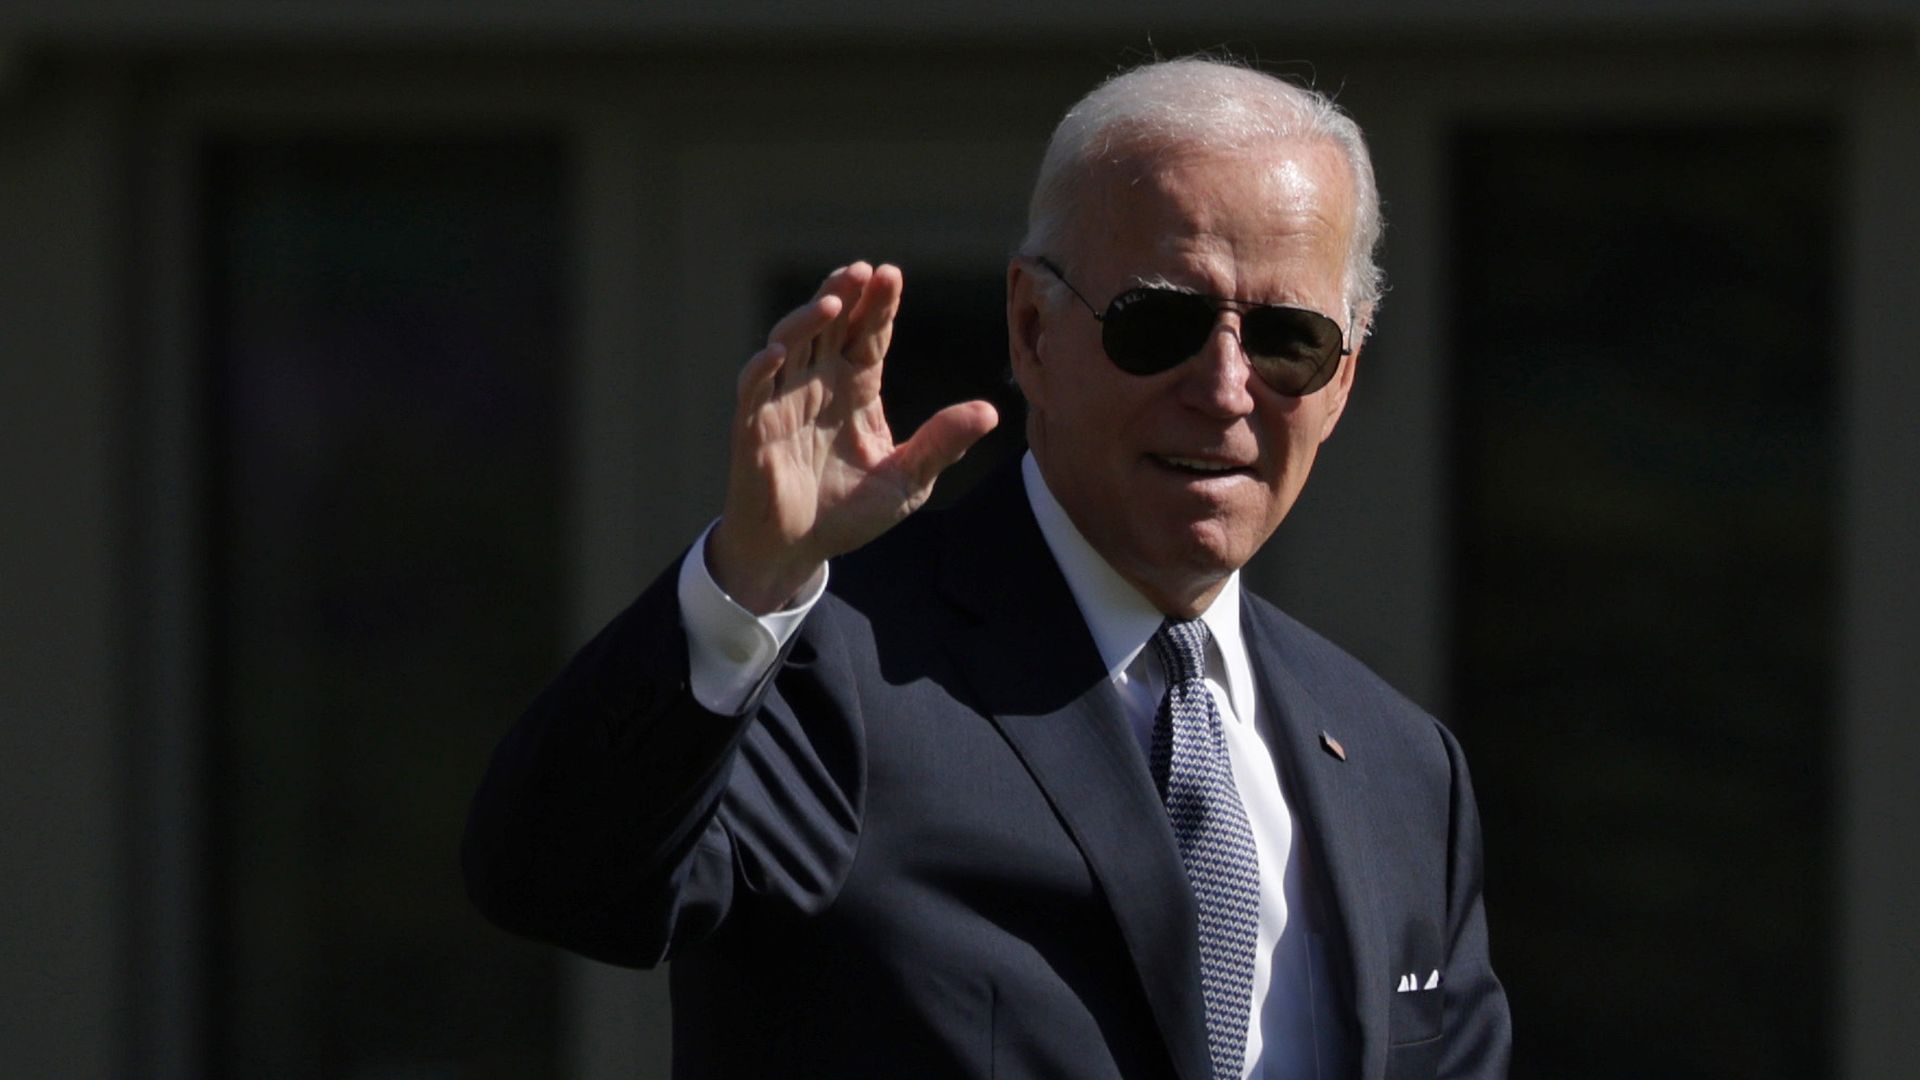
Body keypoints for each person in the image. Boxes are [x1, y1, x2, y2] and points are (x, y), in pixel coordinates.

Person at [464, 57, 1510, 1079]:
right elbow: (556, 880)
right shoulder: (835, 669)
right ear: (1033, 329)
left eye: (1289, 341)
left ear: (1343, 379)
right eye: (1161, 323)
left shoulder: (1399, 766)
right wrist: (747, 578)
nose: (1226, 388)